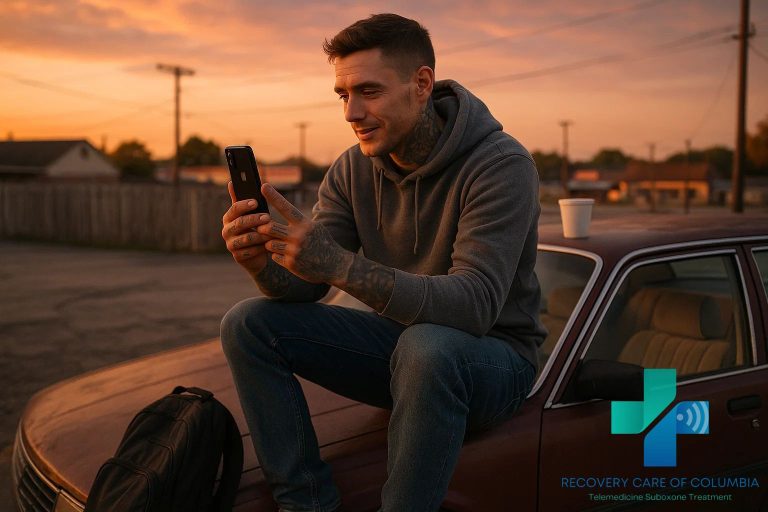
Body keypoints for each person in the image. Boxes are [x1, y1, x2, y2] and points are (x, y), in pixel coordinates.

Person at [220, 13, 546, 512]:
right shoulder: (353, 168)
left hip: (493, 361)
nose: (351, 112)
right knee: (248, 322)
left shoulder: (499, 164)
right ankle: (305, 502)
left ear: (421, 85)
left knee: (429, 346)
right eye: (342, 95)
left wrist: (339, 265)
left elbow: (476, 306)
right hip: (406, 352)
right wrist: (263, 263)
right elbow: (308, 287)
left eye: (368, 91)